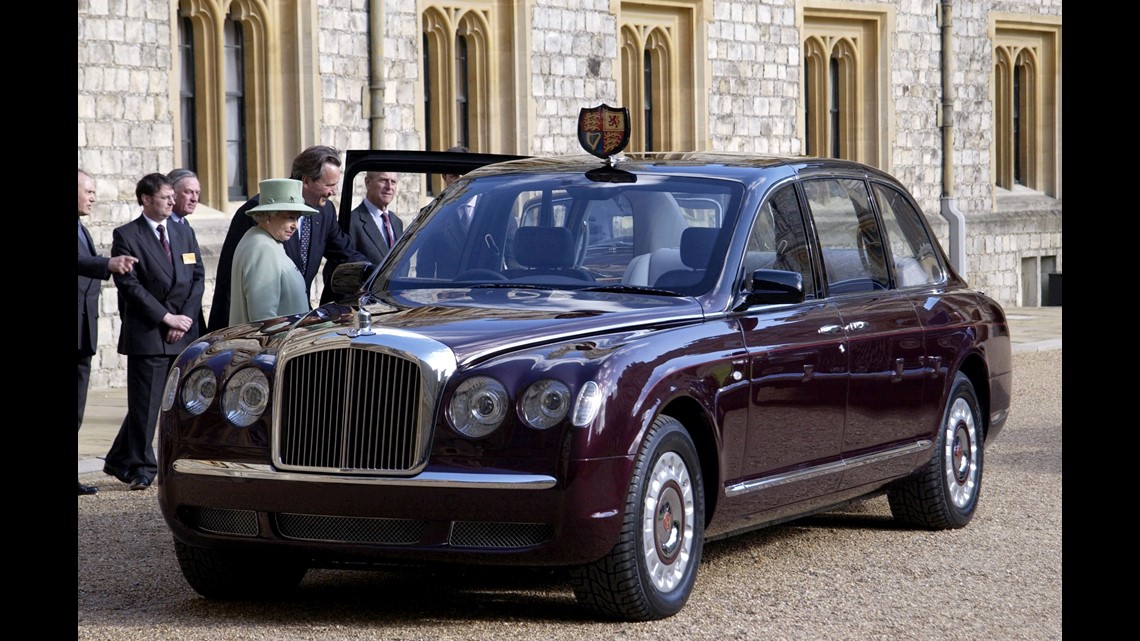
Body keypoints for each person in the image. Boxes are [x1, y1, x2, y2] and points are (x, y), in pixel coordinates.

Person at [104, 173, 205, 491]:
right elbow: (130, 286)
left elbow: (197, 275)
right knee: (145, 404)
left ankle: (120, 459)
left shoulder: (182, 232)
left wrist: (184, 319)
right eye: (166, 198)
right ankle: (142, 468)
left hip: (182, 331)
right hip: (149, 332)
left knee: (162, 404)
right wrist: (166, 318)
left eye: (172, 198)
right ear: (146, 199)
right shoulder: (127, 235)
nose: (172, 202)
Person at [208, 145, 366, 331]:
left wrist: (377, 277)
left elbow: (345, 253)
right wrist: (222, 336)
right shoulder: (259, 225)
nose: (334, 192)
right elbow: (243, 295)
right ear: (306, 181)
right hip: (261, 338)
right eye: (329, 185)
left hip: (292, 330)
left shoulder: (325, 211)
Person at [78, 169, 138, 496]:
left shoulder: (81, 227)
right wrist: (107, 265)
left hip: (83, 333)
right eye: (88, 190)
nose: (93, 196)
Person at [230, 179, 314, 325]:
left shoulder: (265, 240)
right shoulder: (262, 248)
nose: (295, 225)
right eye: (289, 217)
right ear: (269, 215)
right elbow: (264, 319)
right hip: (273, 346)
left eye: (297, 218)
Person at [343, 171, 404, 266]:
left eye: (393, 182)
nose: (389, 187)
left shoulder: (397, 222)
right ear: (368, 182)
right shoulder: (351, 222)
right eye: (384, 180)